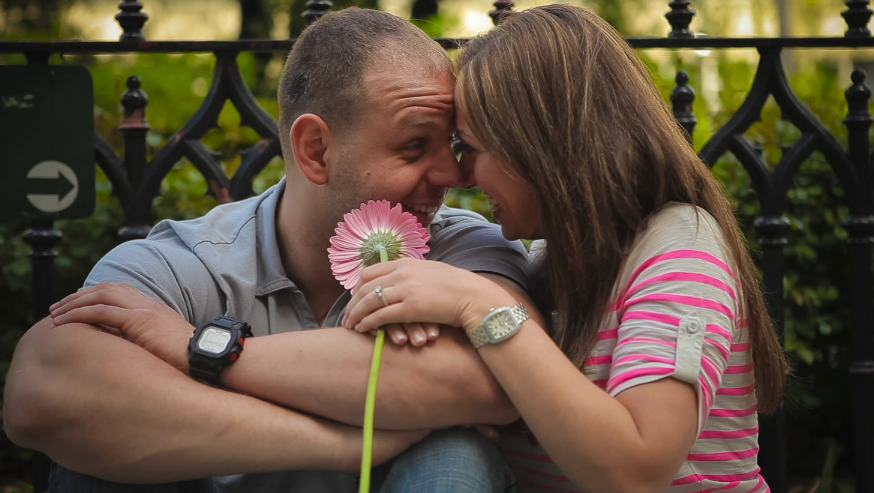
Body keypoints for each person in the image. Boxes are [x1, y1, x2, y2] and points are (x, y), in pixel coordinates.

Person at [3, 8, 532, 493]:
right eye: (415, 145)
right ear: (316, 150)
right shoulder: (187, 261)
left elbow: (500, 375)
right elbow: (45, 392)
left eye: (453, 145)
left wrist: (203, 350)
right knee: (96, 452)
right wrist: (351, 446)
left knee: (454, 454)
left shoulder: (463, 245)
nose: (452, 175)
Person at [342, 5, 789, 493]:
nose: (462, 175)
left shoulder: (680, 250)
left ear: (537, 146)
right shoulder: (551, 259)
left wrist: (482, 305)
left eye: (470, 146)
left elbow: (637, 470)